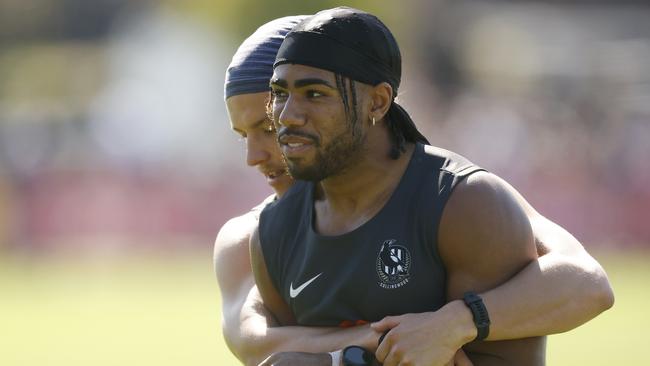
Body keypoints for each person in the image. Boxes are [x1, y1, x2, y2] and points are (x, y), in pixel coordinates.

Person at [247, 7, 614, 366]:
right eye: (280, 93)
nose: (286, 115)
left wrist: (456, 322)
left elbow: (590, 286)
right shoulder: (272, 231)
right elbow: (250, 344)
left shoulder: (463, 202)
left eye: (314, 94)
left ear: (377, 102)